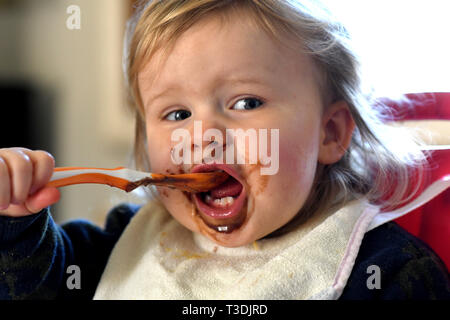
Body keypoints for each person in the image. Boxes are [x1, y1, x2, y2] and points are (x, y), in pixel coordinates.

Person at [0, 0, 449, 300]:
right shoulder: (121, 247)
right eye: (176, 114)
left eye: (246, 102)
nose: (203, 134)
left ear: (329, 133)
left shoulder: (386, 274)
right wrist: (17, 223)